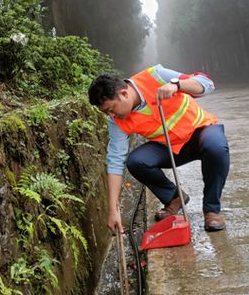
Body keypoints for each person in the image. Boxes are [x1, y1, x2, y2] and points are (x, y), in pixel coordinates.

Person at [87, 64, 229, 233]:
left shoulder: (156, 75)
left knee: (216, 147)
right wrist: (113, 210)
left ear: (124, 94)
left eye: (111, 109)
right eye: (106, 113)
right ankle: (174, 198)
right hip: (170, 147)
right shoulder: (116, 122)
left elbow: (206, 84)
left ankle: (212, 210)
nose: (111, 115)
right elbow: (115, 162)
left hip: (201, 133)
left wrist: (176, 85)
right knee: (136, 162)